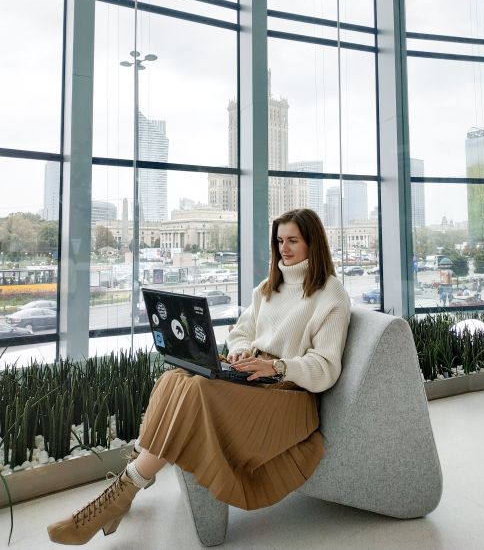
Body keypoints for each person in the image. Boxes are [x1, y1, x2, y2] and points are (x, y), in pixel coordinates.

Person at [47, 208, 351, 546]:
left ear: (314, 243)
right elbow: (241, 332)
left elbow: (326, 368)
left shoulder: (330, 293)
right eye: (280, 241)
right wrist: (240, 352)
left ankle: (116, 498)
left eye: (293, 240)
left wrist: (278, 367)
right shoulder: (268, 287)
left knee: (199, 389)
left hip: (289, 396)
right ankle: (127, 486)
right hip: (255, 377)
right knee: (175, 378)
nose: (284, 248)